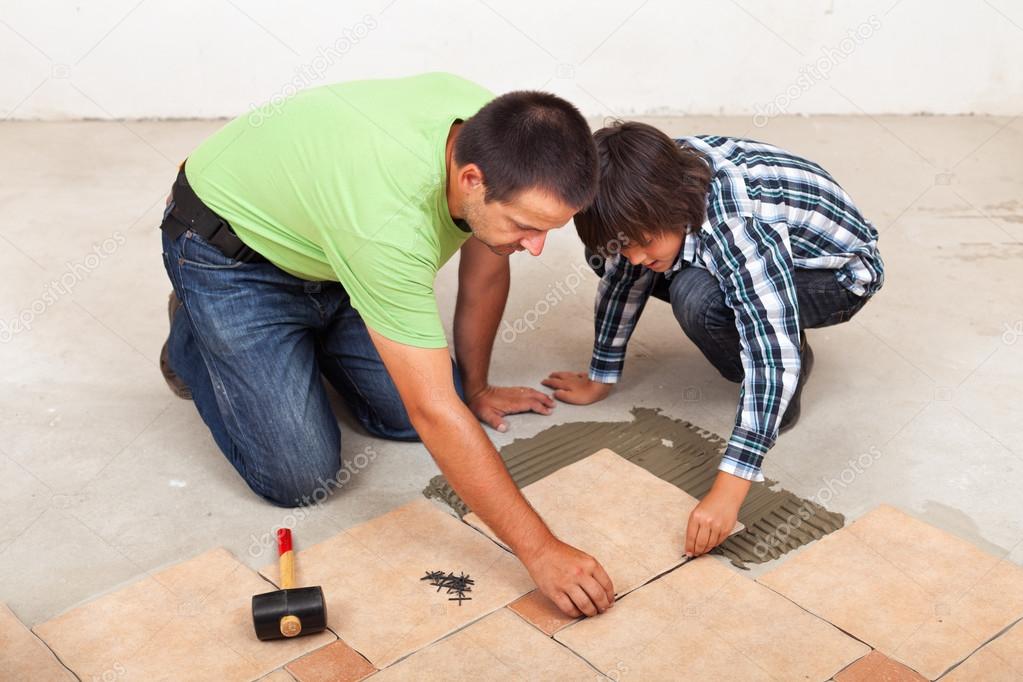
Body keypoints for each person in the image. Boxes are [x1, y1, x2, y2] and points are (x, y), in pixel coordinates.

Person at [159, 73, 613, 617]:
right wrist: (540, 550)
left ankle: (308, 331)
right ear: (471, 179)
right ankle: (195, 332)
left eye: (548, 230)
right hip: (229, 253)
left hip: (336, 254)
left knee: (406, 412)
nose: (536, 247)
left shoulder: (495, 132)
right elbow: (434, 413)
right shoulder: (388, 223)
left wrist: (477, 386)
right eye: (525, 227)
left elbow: (487, 268)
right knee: (301, 477)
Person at [544, 121, 884, 558]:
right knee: (625, 263)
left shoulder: (737, 225)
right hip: (763, 256)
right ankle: (757, 310)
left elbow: (768, 354)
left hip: (836, 276)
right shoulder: (649, 188)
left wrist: (729, 488)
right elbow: (621, 277)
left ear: (677, 205)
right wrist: (601, 375)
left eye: (645, 241)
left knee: (699, 298)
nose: (635, 256)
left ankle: (794, 369)